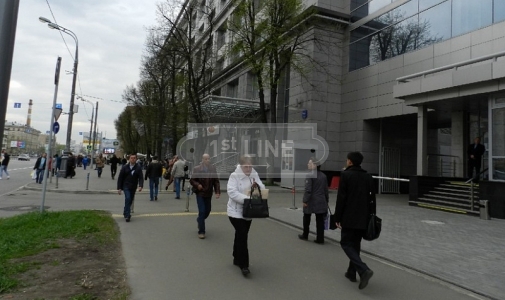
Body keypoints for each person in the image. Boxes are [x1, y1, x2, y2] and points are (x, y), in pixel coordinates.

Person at [334, 151, 375, 290]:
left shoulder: (346, 175)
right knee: (355, 244)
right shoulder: (368, 177)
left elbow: (341, 199)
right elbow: (372, 199)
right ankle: (351, 273)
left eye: (347, 160)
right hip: (363, 218)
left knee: (345, 243)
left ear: (350, 161)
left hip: (349, 216)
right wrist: (372, 216)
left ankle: (363, 270)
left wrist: (337, 217)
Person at [227, 155, 265, 276]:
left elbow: (262, 187)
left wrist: (257, 189)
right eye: (245, 166)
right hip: (235, 211)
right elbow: (232, 192)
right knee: (243, 236)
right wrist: (248, 199)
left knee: (240, 234)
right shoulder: (234, 176)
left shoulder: (254, 174)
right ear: (241, 166)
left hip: (249, 211)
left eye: (250, 166)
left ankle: (236, 257)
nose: (248, 169)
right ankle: (244, 265)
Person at [298, 158, 329, 244]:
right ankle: (320, 238)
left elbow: (308, 190)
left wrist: (305, 200)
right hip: (321, 200)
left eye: (310, 163)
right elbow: (326, 190)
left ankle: (305, 234)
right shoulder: (324, 176)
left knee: (307, 217)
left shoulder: (309, 175)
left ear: (315, 165)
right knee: (320, 220)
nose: (308, 165)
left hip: (312, 200)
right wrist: (326, 200)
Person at [190, 153, 220, 239]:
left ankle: (200, 219)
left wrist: (217, 192)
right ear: (202, 160)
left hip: (209, 193)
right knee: (202, 211)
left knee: (207, 211)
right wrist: (197, 185)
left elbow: (216, 181)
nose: (207, 160)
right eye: (206, 159)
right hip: (200, 193)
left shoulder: (212, 168)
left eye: (209, 159)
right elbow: (192, 180)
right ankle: (202, 231)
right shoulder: (197, 169)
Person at [117, 153, 144, 222]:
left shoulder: (138, 168)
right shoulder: (125, 167)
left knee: (130, 200)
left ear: (136, 159)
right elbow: (120, 178)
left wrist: (140, 186)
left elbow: (141, 177)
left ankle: (125, 210)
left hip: (133, 186)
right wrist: (119, 188)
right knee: (128, 198)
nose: (133, 159)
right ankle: (127, 215)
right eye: (131, 158)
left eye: (134, 158)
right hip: (126, 186)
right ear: (129, 159)